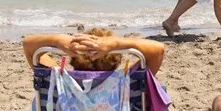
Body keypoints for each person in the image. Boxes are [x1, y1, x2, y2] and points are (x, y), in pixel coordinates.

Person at [23, 27, 165, 75]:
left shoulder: (59, 82)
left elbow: (28, 44)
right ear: (116, 59)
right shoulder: (127, 82)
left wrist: (57, 40)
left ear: (75, 57)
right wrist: (115, 43)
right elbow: (158, 49)